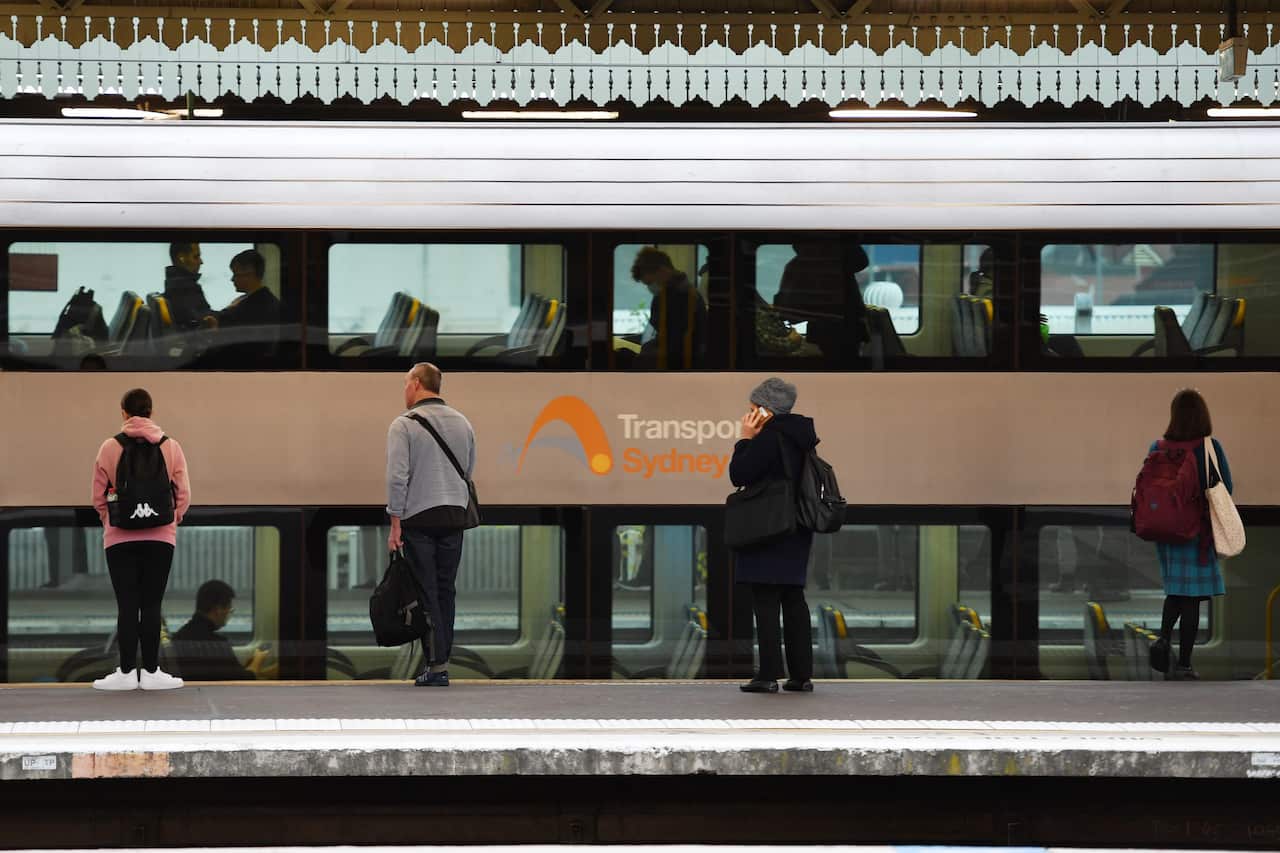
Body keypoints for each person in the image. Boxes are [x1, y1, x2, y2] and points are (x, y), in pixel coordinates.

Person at [90, 388, 191, 691]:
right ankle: (151, 672)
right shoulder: (170, 447)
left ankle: (124, 673)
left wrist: (112, 523)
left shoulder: (109, 447)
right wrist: (169, 522)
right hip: (161, 538)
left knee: (126, 604)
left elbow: (98, 497)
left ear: (124, 412)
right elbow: (183, 495)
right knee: (151, 603)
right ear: (151, 411)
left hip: (120, 538)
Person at [386, 362, 477, 687]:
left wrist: (395, 523)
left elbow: (398, 477)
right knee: (445, 590)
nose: (404, 390)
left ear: (416, 383)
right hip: (454, 515)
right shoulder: (463, 422)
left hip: (419, 518)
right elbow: (468, 469)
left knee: (426, 593)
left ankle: (436, 666)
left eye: (405, 383)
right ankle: (442, 660)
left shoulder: (404, 424)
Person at [729, 377, 817, 694]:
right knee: (793, 599)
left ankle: (767, 675)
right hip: (797, 528)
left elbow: (739, 474)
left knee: (765, 601)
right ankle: (801, 675)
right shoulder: (803, 437)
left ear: (765, 411)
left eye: (753, 409)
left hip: (768, 528)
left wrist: (745, 439)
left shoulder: (768, 439)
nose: (749, 414)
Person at [1150, 389, 1232, 681]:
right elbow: (1226, 490)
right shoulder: (1210, 448)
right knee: (1193, 598)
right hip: (1197, 533)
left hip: (1167, 532)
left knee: (1175, 590)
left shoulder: (1158, 447)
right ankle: (1184, 664)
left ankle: (1162, 640)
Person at [773, 242, 870, 364]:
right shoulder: (838, 257)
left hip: (823, 328)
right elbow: (861, 261)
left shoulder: (797, 265)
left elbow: (785, 307)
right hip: (849, 323)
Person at [172, 580, 274, 680]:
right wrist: (258, 660)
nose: (229, 614)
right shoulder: (216, 645)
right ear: (218, 609)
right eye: (229, 609)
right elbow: (244, 680)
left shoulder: (178, 637)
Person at [629, 247, 707, 369]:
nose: (650, 288)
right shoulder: (667, 294)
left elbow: (676, 346)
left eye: (650, 283)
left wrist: (646, 355)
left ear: (662, 271)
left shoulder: (682, 297)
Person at [202, 249, 281, 333]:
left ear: (250, 273)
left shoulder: (259, 307)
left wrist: (215, 331)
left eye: (236, 274)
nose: (232, 279)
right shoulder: (252, 299)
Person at [163, 241, 211, 330]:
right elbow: (205, 320)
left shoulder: (172, 283)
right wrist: (233, 309)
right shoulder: (186, 288)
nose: (201, 262)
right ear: (182, 258)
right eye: (196, 257)